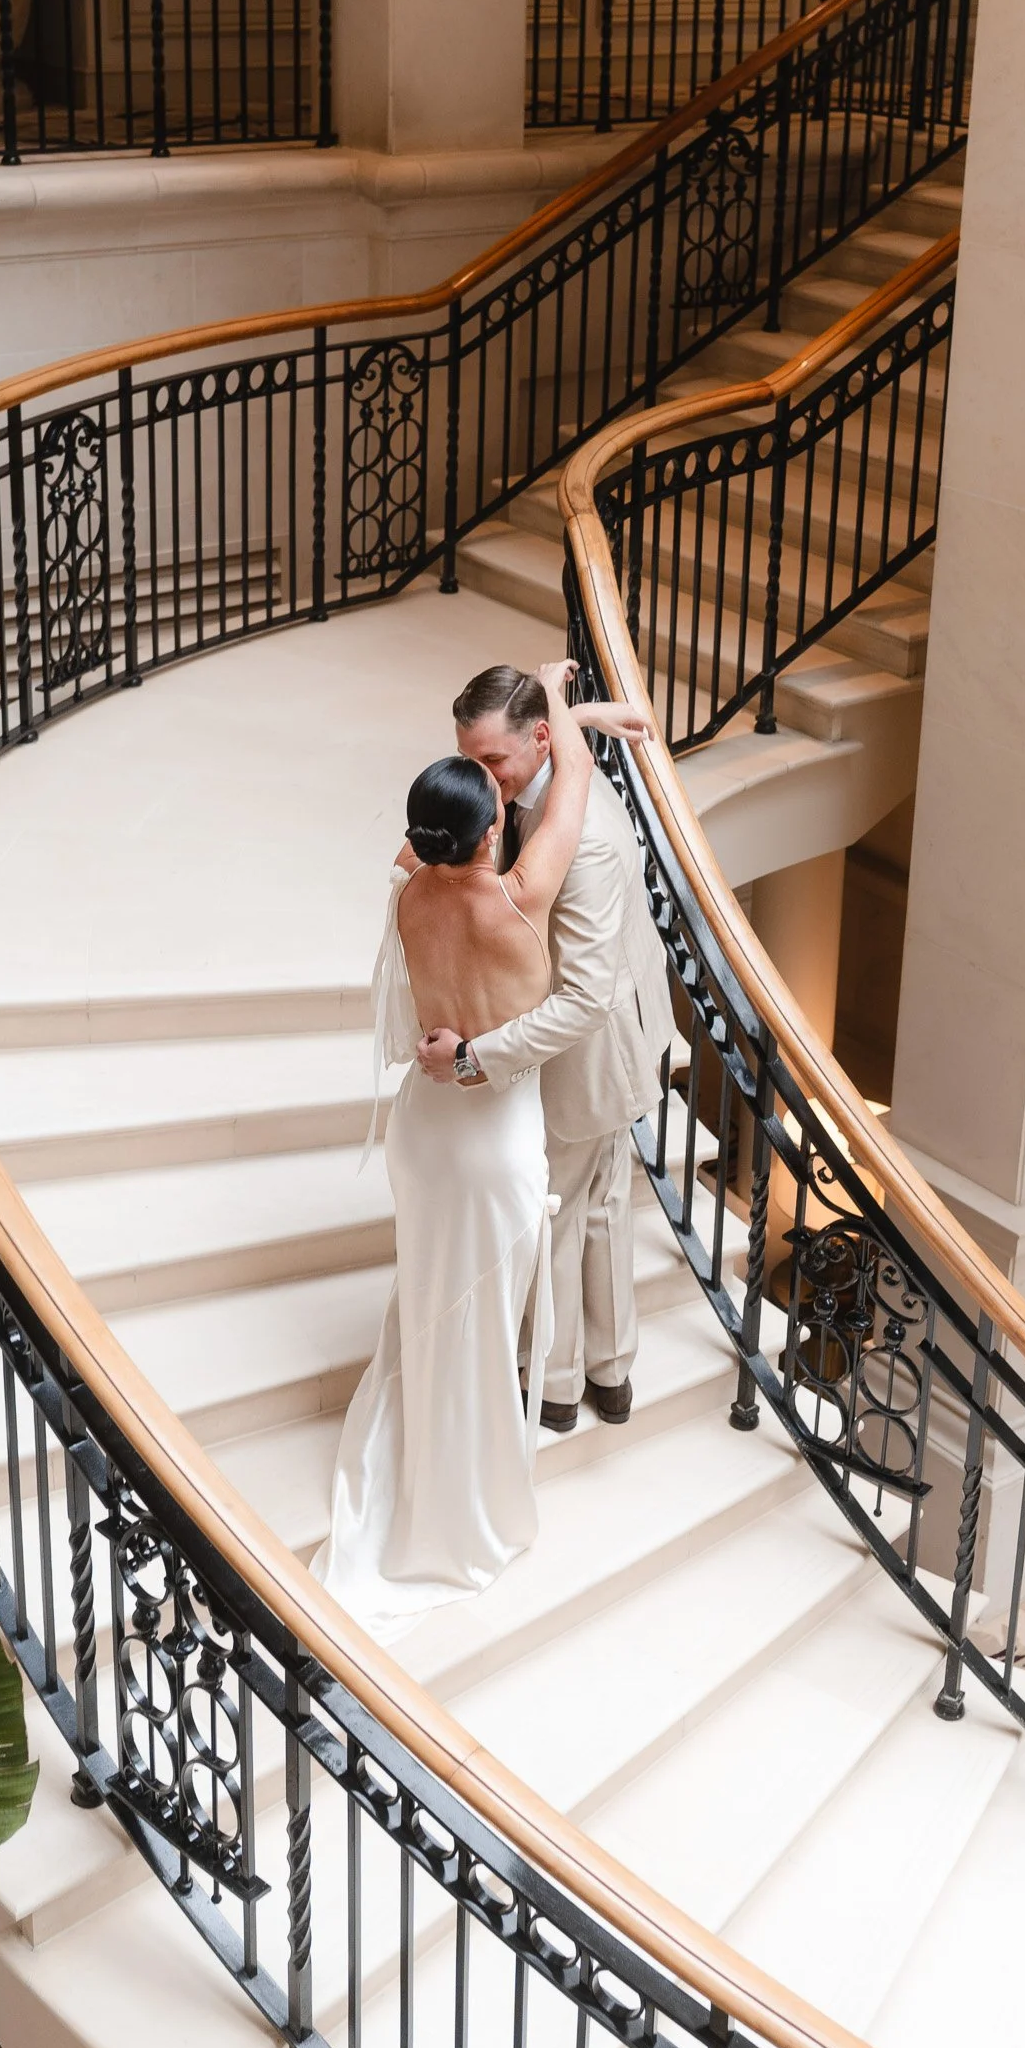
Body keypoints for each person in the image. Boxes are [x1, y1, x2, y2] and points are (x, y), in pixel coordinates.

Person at [314, 665, 641, 1637]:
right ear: (491, 827)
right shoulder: (518, 894)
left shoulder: (409, 891)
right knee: (484, 1304)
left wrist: (560, 711)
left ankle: (432, 1462)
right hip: (489, 1121)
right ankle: (469, 1497)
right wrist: (564, 708)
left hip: (424, 1120)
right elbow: (571, 787)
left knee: (434, 1290)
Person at [418, 664, 675, 1435]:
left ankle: (558, 1388)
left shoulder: (584, 837)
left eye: (491, 763)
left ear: (538, 741)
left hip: (592, 1049)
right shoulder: (531, 774)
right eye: (470, 758)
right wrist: (572, 705)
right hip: (602, 1033)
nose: (478, 778)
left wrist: (472, 1058)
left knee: (556, 1213)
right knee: (598, 1205)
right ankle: (612, 1370)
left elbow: (584, 999)